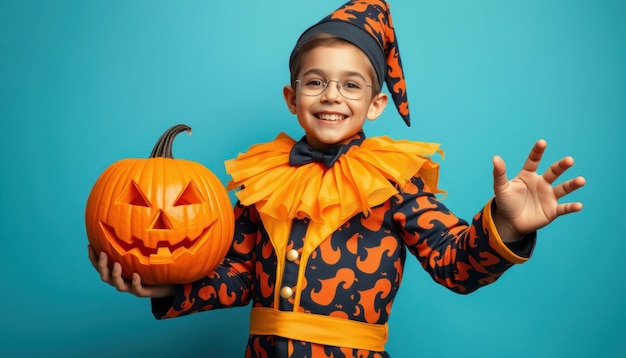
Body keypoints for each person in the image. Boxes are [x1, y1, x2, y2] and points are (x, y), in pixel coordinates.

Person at [88, 1, 585, 357]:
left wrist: (507, 223)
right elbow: (238, 276)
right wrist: (161, 286)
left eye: (350, 85)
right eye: (315, 82)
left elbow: (453, 262)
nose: (331, 95)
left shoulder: (397, 182)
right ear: (292, 98)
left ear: (375, 104)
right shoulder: (264, 180)